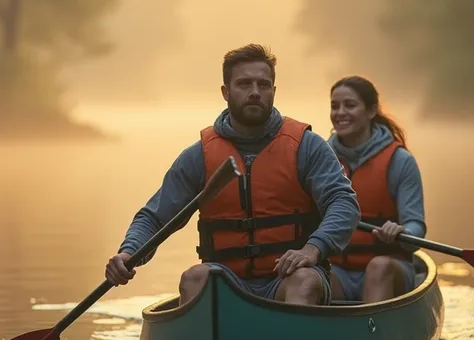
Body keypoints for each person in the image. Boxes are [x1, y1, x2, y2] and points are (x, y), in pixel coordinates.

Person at [105, 44, 360, 306]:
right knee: (194, 278)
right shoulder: (199, 156)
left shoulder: (306, 146)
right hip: (228, 279)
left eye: (263, 84)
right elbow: (154, 217)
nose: (254, 92)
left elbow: (344, 203)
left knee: (304, 281)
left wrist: (312, 249)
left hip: (288, 277)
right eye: (244, 84)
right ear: (225, 92)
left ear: (274, 91)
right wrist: (129, 252)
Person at [328, 76, 426, 303]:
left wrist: (402, 232)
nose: (340, 112)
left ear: (371, 111)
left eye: (350, 105)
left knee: (378, 267)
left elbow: (416, 225)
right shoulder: (322, 157)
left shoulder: (400, 161)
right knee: (310, 274)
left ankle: (373, 334)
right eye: (334, 106)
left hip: (389, 267)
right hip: (339, 270)